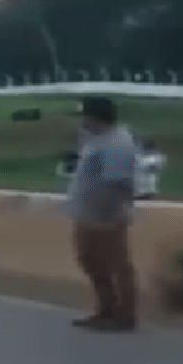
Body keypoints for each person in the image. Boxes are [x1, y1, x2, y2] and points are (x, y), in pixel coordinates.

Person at [65, 97, 140, 332]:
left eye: (83, 116)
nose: (80, 121)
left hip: (105, 217)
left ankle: (124, 314)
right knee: (91, 260)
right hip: (89, 215)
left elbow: (117, 183)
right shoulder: (98, 141)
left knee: (116, 265)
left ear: (96, 117)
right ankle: (106, 309)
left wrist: (106, 215)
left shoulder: (116, 143)